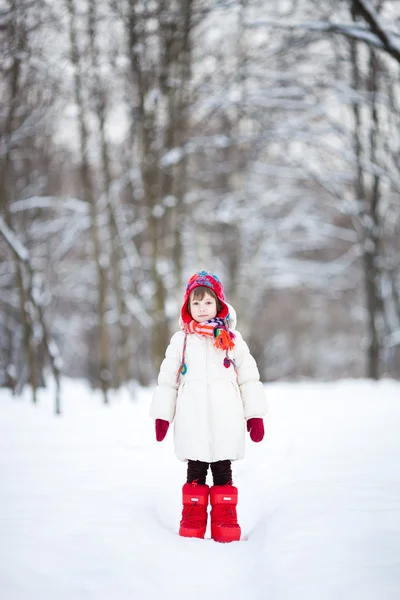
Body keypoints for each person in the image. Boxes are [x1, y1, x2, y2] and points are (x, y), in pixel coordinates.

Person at [150, 271, 267, 542]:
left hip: (226, 415)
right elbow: (168, 380)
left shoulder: (231, 339)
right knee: (196, 469)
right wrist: (163, 415)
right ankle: (193, 514)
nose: (202, 309)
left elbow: (249, 377)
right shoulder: (181, 341)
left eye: (207, 302)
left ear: (219, 304)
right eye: (196, 303)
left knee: (223, 469)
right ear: (187, 307)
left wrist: (255, 415)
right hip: (192, 417)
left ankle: (225, 516)